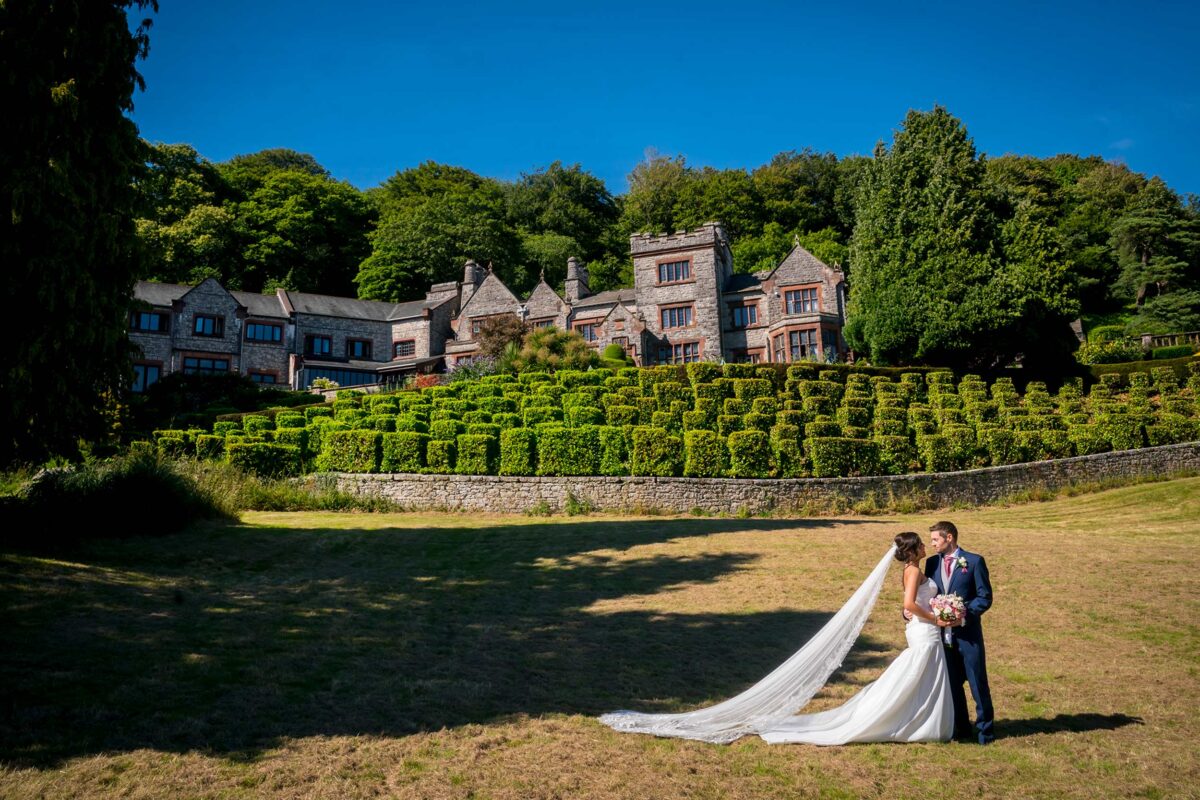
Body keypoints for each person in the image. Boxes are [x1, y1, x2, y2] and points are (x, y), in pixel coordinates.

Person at [756, 531, 954, 744]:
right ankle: (902, 717)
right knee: (916, 671)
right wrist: (936, 619)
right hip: (924, 629)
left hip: (922, 628)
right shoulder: (913, 571)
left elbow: (913, 603)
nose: (926, 546)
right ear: (913, 550)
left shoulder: (911, 569)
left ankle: (919, 718)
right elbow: (909, 604)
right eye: (921, 544)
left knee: (922, 672)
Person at [925, 520, 995, 744]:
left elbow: (984, 597)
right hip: (942, 638)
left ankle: (986, 732)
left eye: (935, 539)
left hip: (968, 635)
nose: (932, 543)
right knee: (952, 684)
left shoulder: (974, 562)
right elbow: (926, 597)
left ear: (949, 538)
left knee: (977, 683)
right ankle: (961, 728)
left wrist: (962, 616)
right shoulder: (931, 564)